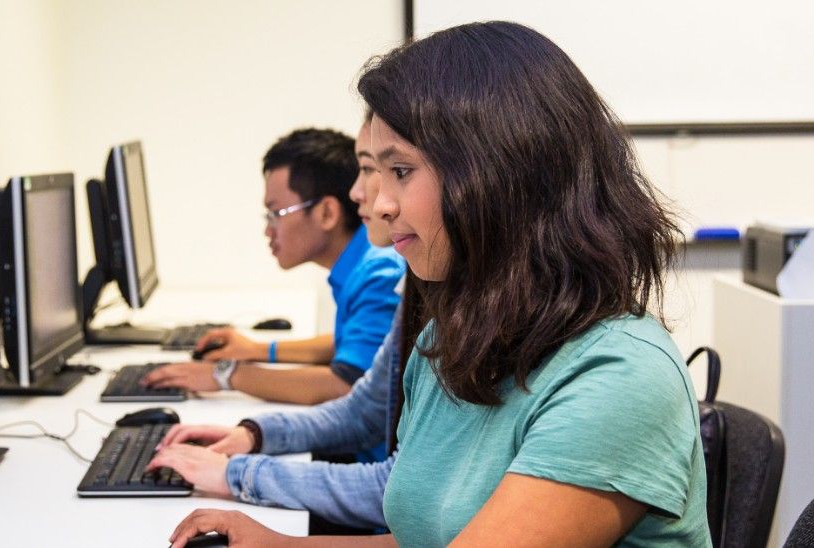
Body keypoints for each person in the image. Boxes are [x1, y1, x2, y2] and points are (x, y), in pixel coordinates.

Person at [166, 21, 709, 547]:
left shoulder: (617, 377)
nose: (378, 202)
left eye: (399, 171)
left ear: (497, 174)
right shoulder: (446, 341)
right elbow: (420, 537)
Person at [146, 118, 418, 531]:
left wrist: (229, 378)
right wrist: (254, 425)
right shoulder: (407, 282)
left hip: (368, 493)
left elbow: (344, 382)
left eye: (386, 171)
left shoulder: (383, 269)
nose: (359, 193)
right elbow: (359, 384)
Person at [143, 128, 404, 406]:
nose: (268, 230)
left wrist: (227, 375)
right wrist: (257, 349)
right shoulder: (363, 261)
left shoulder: (379, 273)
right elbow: (349, 345)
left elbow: (345, 384)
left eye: (276, 213)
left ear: (327, 213)